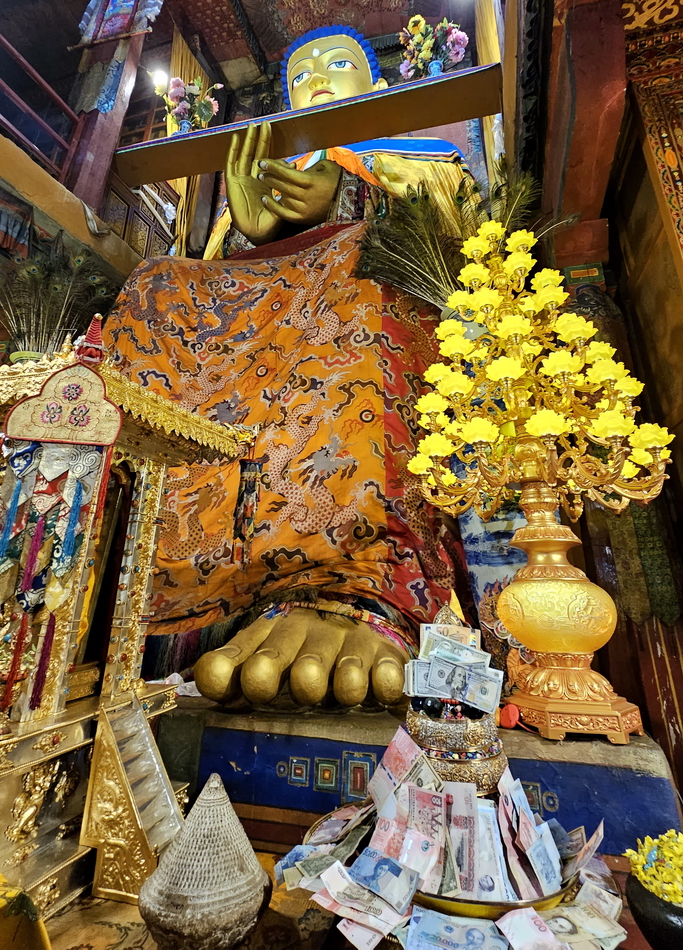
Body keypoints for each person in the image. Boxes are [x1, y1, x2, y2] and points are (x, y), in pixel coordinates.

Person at [105, 25, 476, 707]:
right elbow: (223, 264)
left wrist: (353, 177)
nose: (320, 81)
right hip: (268, 284)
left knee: (363, 273)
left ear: (377, 86)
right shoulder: (276, 161)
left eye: (340, 64)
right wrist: (262, 231)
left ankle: (341, 583)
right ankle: (113, 550)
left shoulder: (412, 147)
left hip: (357, 269)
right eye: (303, 77)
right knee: (160, 278)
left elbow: (453, 224)